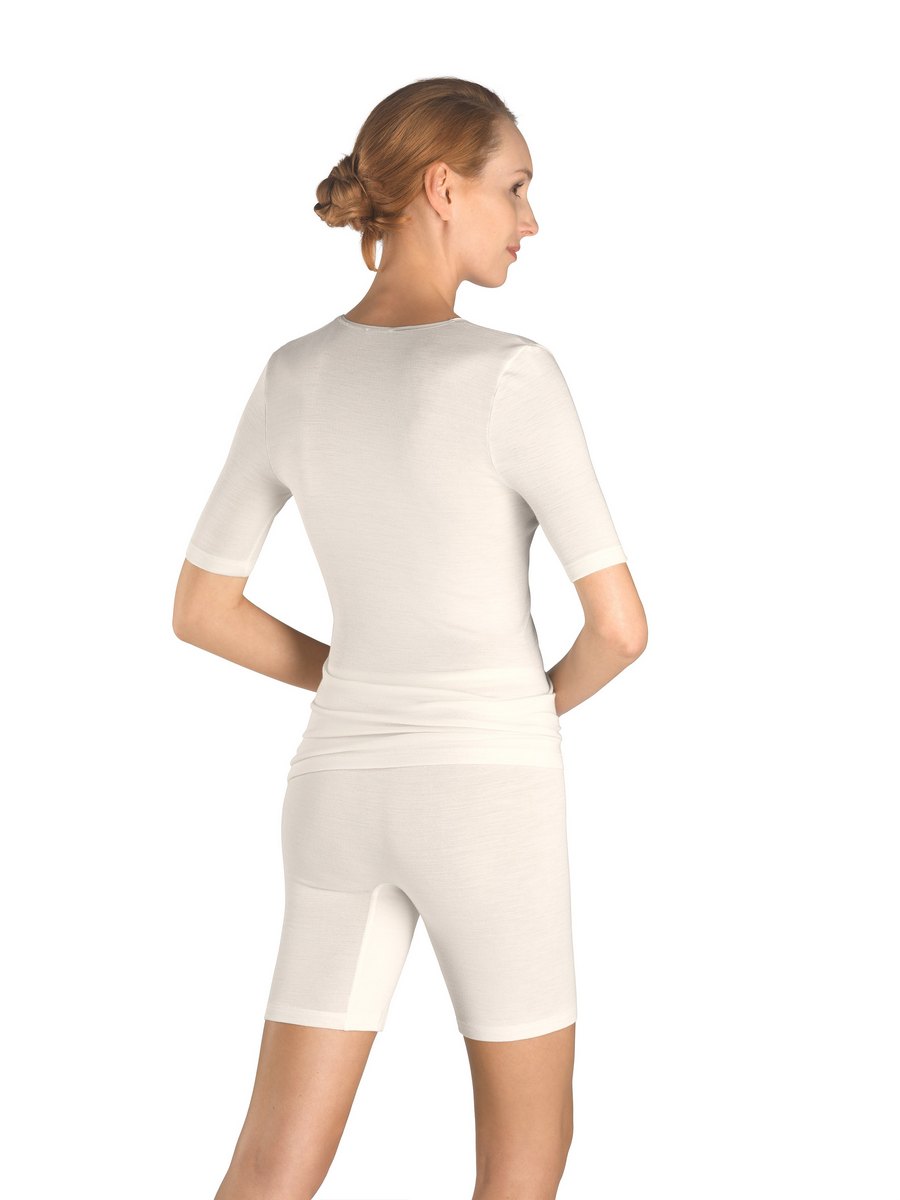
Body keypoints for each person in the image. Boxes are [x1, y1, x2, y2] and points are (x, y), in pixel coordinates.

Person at [173, 76, 647, 1200]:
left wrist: (361, 682)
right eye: (515, 187)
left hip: (338, 792)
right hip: (485, 793)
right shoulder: (510, 374)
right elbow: (621, 629)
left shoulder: (294, 375)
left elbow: (202, 609)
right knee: (526, 1158)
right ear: (443, 188)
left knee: (272, 1163)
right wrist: (507, 706)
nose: (531, 220)